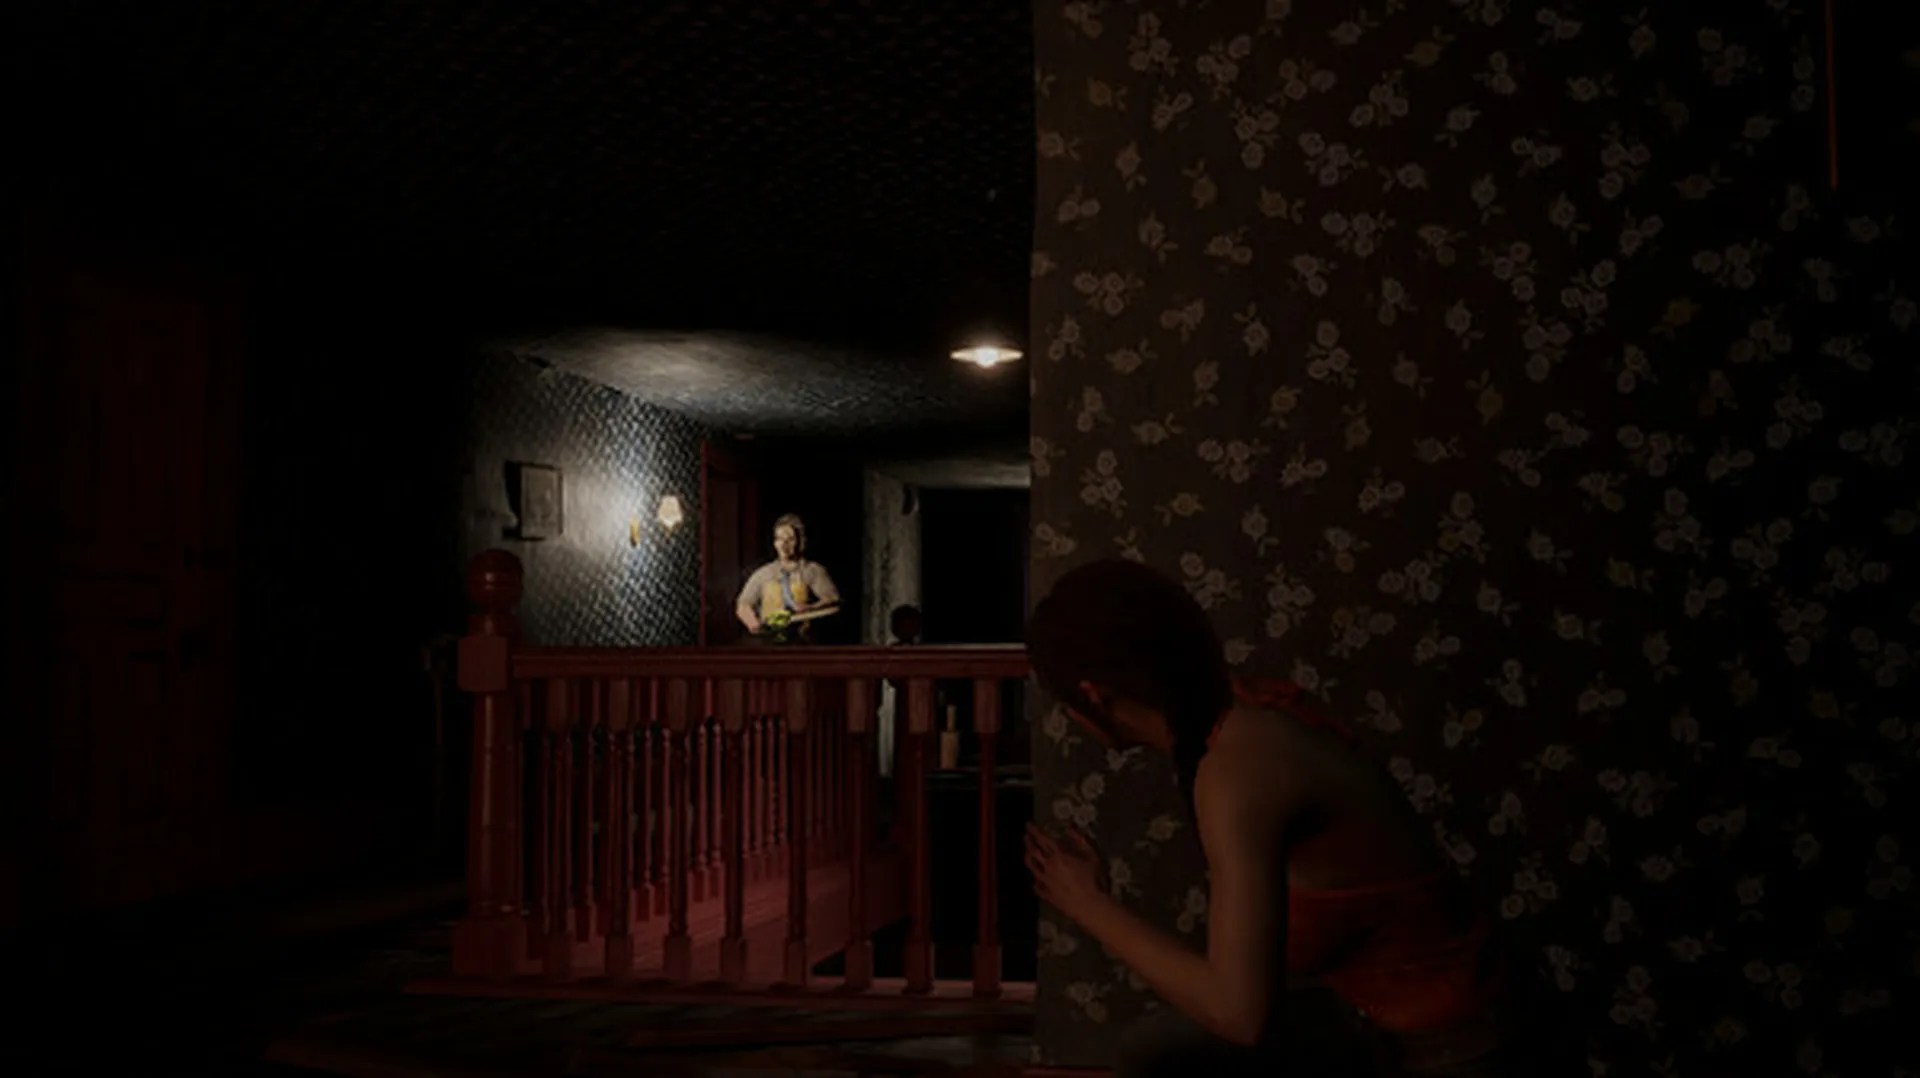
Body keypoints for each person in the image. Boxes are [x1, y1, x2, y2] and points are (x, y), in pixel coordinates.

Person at [1022, 558, 1514, 1077]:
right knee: (1154, 1048)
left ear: (1093, 695)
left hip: (1454, 1048)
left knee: (1168, 1051)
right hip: (1370, 1018)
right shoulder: (1229, 715)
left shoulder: (1237, 769)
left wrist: (1089, 904)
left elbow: (1239, 1016)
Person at [735, 513, 841, 640]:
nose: (784, 545)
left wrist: (812, 608)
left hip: (803, 641)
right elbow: (744, 603)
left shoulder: (812, 570)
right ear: (775, 543)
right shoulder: (763, 574)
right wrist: (752, 622)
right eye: (779, 539)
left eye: (790, 539)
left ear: (800, 541)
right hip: (768, 642)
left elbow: (832, 599)